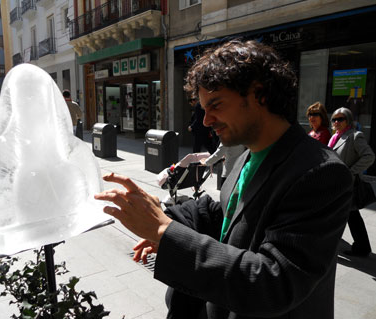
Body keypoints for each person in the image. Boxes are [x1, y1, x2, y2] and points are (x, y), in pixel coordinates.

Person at [95, 40, 353, 319]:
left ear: (259, 94)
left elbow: (274, 282)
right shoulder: (247, 156)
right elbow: (229, 215)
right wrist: (164, 214)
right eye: (204, 108)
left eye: (215, 105)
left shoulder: (321, 172)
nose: (206, 120)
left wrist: (165, 231)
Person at [328, 107, 375, 257]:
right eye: (334, 119)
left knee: (343, 215)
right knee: (352, 216)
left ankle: (334, 245)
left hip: (348, 184)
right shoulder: (335, 137)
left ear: (348, 120)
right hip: (337, 184)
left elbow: (369, 156)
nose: (336, 122)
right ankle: (362, 246)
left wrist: (351, 171)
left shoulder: (355, 136)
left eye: (340, 119)